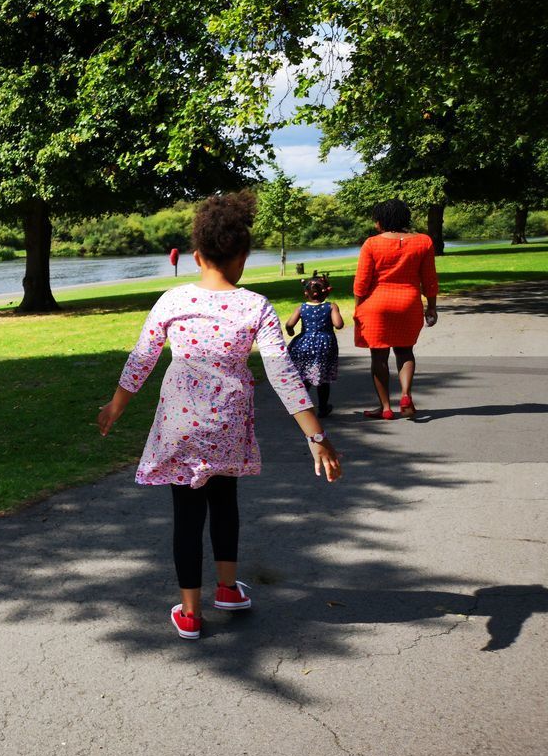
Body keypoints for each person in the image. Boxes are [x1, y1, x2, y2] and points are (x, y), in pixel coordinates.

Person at [96, 192, 341, 641]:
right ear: (242, 258)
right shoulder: (256, 306)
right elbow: (283, 372)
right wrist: (316, 435)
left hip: (181, 424)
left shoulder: (172, 300)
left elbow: (143, 358)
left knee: (186, 516)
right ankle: (227, 589)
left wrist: (116, 404)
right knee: (225, 502)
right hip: (227, 424)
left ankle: (190, 613)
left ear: (195, 256)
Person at [353, 199, 439, 419]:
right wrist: (431, 307)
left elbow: (361, 283)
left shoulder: (372, 244)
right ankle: (406, 395)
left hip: (376, 305)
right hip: (408, 303)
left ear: (382, 221)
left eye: (376, 221)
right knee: (405, 351)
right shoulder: (423, 241)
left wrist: (358, 308)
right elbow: (429, 279)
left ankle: (385, 408)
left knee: (379, 357)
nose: (375, 225)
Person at [284, 272, 343, 418]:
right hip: (324, 346)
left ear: (306, 293)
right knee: (322, 379)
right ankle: (323, 408)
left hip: (304, 345)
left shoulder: (301, 308)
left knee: (304, 377)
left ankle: (300, 407)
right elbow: (339, 324)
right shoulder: (331, 306)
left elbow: (289, 324)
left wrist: (290, 331)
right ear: (327, 291)